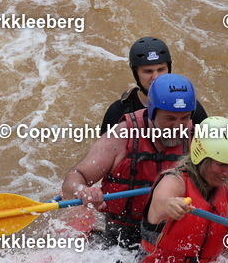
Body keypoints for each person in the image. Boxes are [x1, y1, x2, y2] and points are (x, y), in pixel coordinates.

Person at [62, 73, 198, 249]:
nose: (178, 127)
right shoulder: (122, 135)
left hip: (169, 233)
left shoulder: (197, 138)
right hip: (119, 234)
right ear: (152, 113)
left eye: (184, 118)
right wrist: (83, 191)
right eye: (170, 119)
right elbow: (74, 178)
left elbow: (219, 191)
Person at [139, 117, 228, 263]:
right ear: (201, 157)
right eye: (221, 164)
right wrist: (170, 204)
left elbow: (227, 255)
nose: (227, 173)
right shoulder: (174, 181)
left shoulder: (220, 189)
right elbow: (161, 200)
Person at [100, 37, 208, 133]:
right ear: (136, 74)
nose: (156, 77)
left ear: (169, 69)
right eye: (148, 71)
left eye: (161, 69)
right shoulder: (119, 110)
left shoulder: (189, 105)